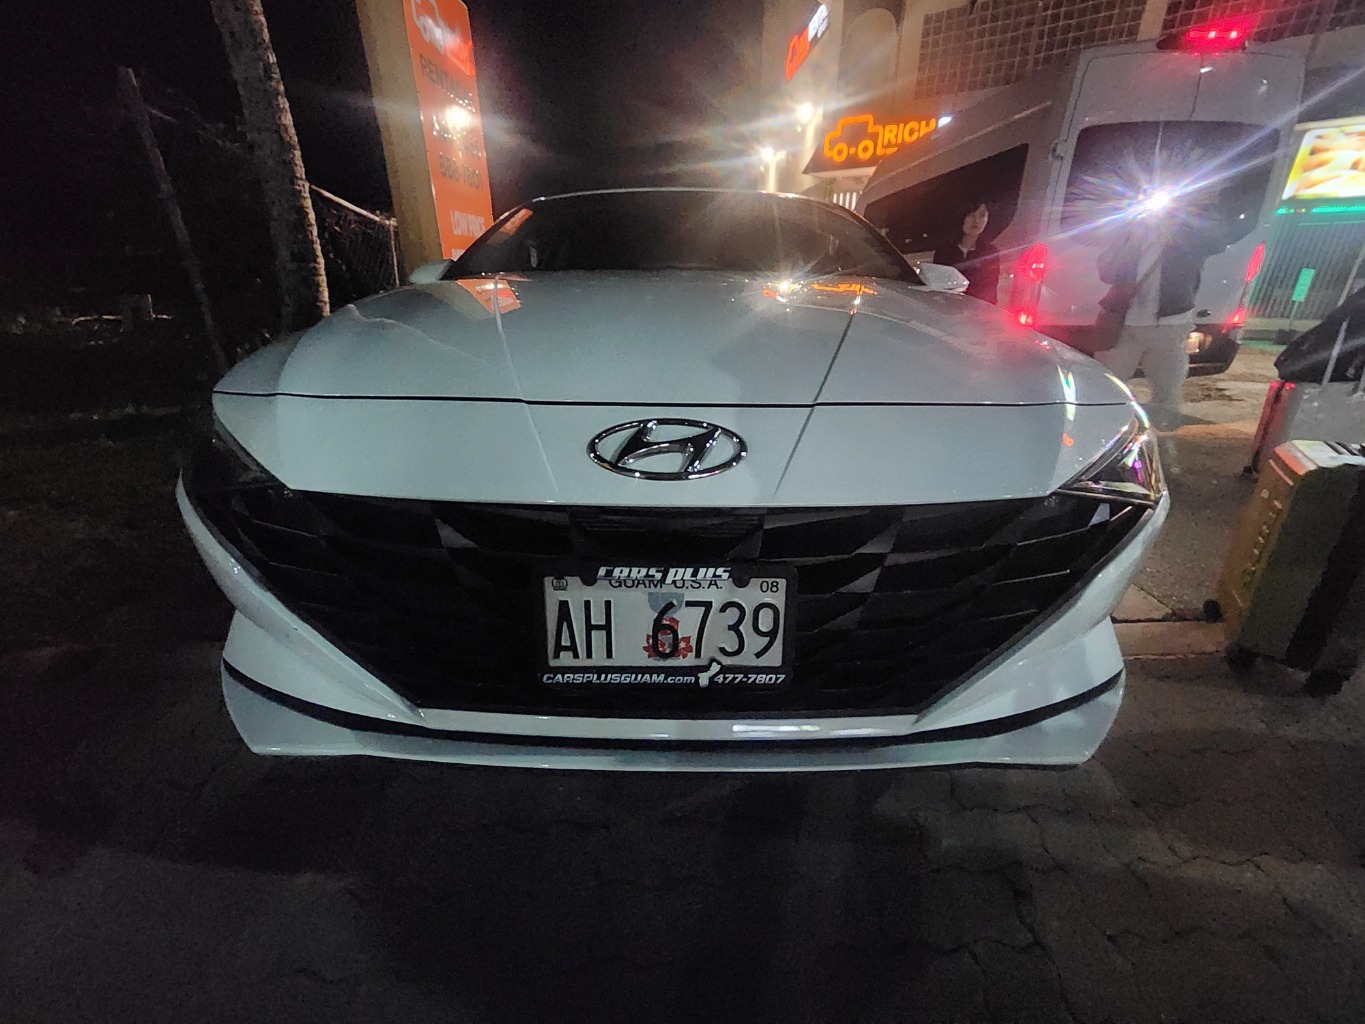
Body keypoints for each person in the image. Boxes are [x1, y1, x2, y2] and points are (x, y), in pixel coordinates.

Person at [1094, 201, 1228, 436]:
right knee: (1107, 384)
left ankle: (1162, 437)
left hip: (1169, 323)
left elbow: (1218, 241)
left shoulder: (1189, 237)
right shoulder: (1130, 236)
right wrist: (1130, 238)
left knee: (1167, 391)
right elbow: (1106, 272)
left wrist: (1190, 217)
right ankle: (1108, 430)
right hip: (1124, 324)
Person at [933, 198, 1001, 304]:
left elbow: (989, 292)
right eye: (971, 215)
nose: (976, 221)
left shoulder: (990, 253)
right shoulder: (944, 250)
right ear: (961, 216)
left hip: (976, 310)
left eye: (982, 215)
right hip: (947, 308)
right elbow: (937, 286)